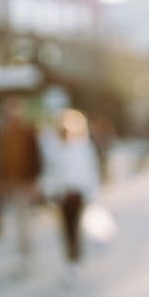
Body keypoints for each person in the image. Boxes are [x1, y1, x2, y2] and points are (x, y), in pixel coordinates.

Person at [39, 109, 100, 286]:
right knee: (66, 230)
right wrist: (50, 193)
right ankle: (70, 261)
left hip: (78, 195)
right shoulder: (55, 148)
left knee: (75, 229)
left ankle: (75, 261)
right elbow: (51, 173)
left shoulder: (83, 147)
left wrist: (92, 194)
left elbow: (91, 172)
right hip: (62, 196)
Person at [0, 96, 42, 274]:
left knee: (23, 218)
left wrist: (33, 181)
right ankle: (21, 249)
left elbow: (36, 157)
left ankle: (25, 252)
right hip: (10, 182)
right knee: (13, 218)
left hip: (24, 182)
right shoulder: (3, 131)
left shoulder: (28, 131)